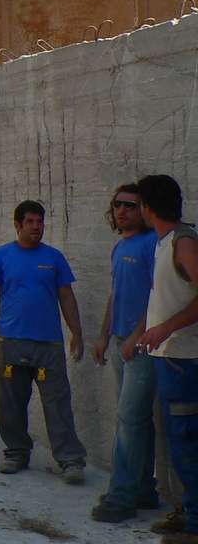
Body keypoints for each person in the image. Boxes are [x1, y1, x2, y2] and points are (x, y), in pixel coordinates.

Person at [0, 199, 87, 483]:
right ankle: (16, 452)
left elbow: (66, 296)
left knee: (57, 403)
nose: (37, 227)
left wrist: (76, 332)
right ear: (18, 225)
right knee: (11, 403)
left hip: (48, 344)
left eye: (40, 222)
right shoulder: (2, 256)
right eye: (31, 222)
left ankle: (70, 460)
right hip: (12, 342)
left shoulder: (54, 258)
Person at [90, 182, 163, 522]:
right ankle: (144, 489)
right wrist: (104, 336)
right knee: (138, 421)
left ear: (143, 210)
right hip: (121, 343)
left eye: (131, 205)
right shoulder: (120, 247)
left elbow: (158, 295)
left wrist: (136, 336)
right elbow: (115, 294)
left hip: (143, 346)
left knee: (128, 420)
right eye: (118, 204)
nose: (122, 210)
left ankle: (120, 498)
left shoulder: (152, 245)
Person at [136, 174, 198, 544]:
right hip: (170, 360)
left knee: (187, 445)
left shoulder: (183, 242)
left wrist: (165, 328)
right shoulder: (165, 242)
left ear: (148, 207)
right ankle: (189, 512)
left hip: (183, 361)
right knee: (178, 444)